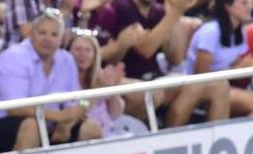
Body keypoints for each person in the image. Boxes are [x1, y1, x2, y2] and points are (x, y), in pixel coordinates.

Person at [0, 9, 102, 154]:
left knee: (91, 129)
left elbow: (76, 104)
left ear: (62, 39)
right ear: (31, 34)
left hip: (46, 123)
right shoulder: (15, 57)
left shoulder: (66, 60)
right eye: (42, 33)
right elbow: (16, 108)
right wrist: (60, 116)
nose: (47, 39)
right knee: (32, 127)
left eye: (54, 34)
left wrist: (66, 124)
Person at [96, 0, 228, 126]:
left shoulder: (158, 11)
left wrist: (175, 14)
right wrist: (172, 15)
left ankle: (177, 138)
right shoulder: (122, 7)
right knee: (155, 93)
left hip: (156, 77)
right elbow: (146, 49)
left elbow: (175, 57)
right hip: (127, 79)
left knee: (218, 86)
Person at [184, 0, 253, 116]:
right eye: (244, 3)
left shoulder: (241, 33)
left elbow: (236, 65)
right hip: (199, 91)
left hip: (230, 87)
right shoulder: (210, 31)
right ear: (228, 7)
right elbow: (200, 76)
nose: (250, 7)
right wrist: (235, 69)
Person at [68, 28, 125, 136]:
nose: (82, 54)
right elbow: (81, 108)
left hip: (108, 131)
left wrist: (113, 89)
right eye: (78, 49)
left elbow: (116, 114)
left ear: (95, 55)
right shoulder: (64, 80)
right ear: (68, 52)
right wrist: (97, 90)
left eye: (87, 50)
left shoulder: (102, 77)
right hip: (82, 133)